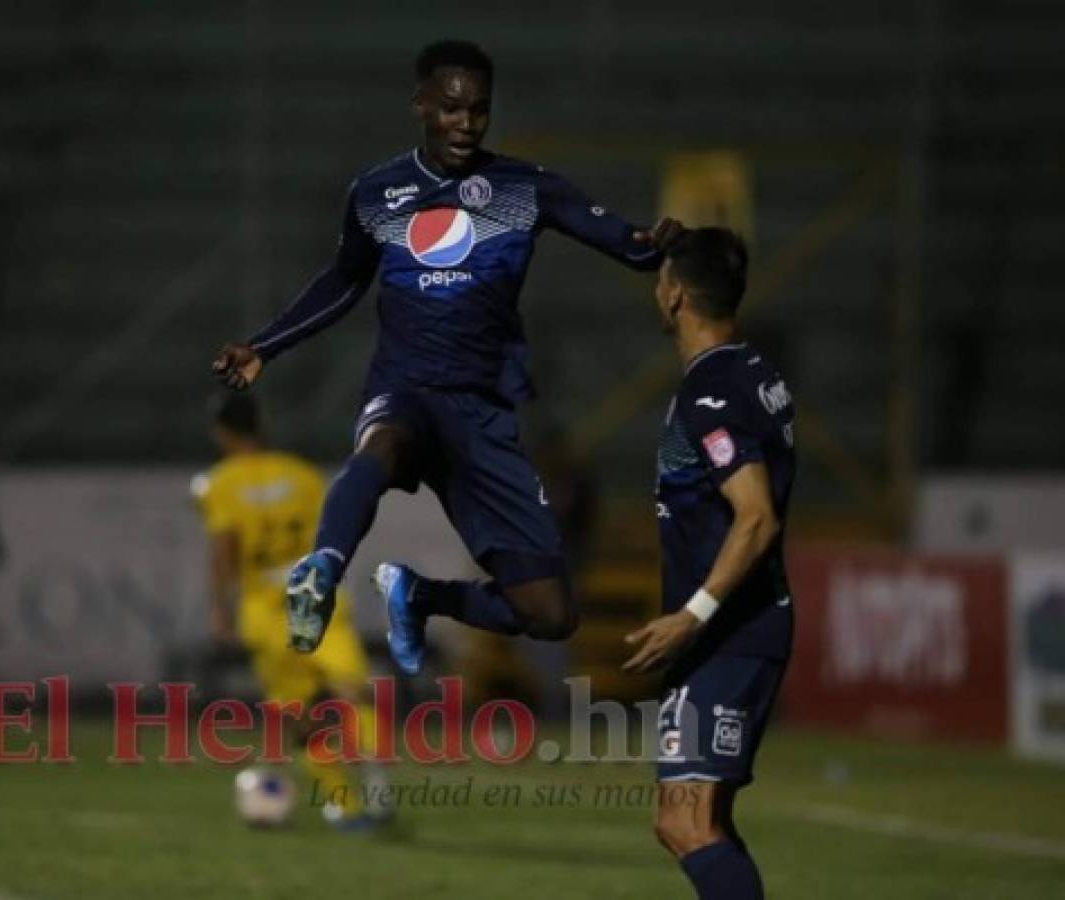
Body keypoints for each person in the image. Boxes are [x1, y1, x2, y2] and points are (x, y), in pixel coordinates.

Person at [211, 39, 682, 673]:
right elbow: (344, 281)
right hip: (406, 388)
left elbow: (626, 242)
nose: (465, 124)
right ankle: (320, 569)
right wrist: (264, 346)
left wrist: (656, 244)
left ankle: (419, 593)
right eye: (451, 109)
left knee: (550, 613)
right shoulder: (378, 192)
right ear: (421, 104)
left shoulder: (523, 187)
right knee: (379, 443)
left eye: (478, 111)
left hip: (482, 415)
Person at [621, 228, 795, 899]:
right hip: (743, 625)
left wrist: (690, 616)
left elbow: (754, 515)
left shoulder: (710, 393)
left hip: (728, 631)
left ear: (672, 294)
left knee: (683, 822)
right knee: (700, 820)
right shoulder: (756, 372)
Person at [192, 393, 385, 831]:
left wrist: (220, 609)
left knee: (298, 713)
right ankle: (375, 778)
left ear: (221, 432)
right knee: (351, 686)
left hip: (265, 610)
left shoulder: (218, 483)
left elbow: (225, 548)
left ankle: (343, 805)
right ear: (261, 424)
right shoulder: (302, 476)